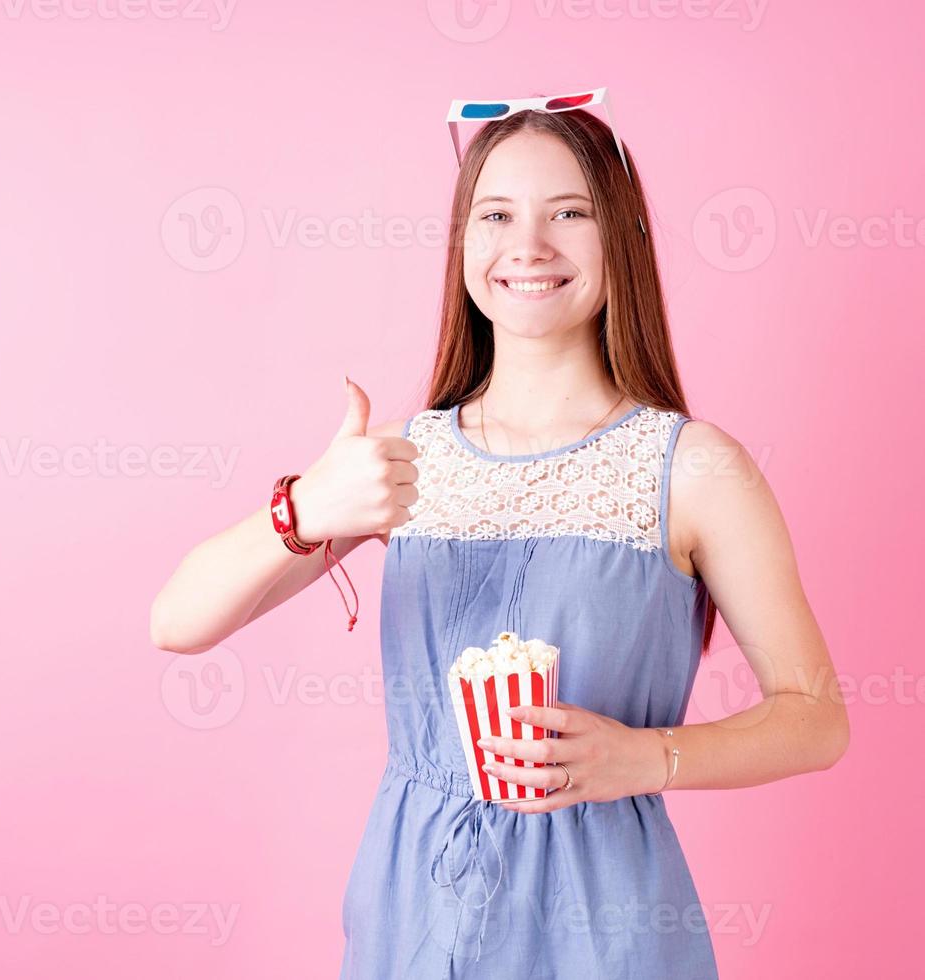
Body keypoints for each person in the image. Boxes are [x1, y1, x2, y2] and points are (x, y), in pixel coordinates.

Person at [149, 101, 849, 979]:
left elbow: (817, 718)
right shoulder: (399, 462)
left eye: (569, 212)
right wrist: (308, 507)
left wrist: (646, 757)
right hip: (412, 911)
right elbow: (177, 620)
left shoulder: (696, 469)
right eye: (495, 215)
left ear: (620, 235)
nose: (530, 246)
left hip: (607, 921)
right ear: (463, 245)